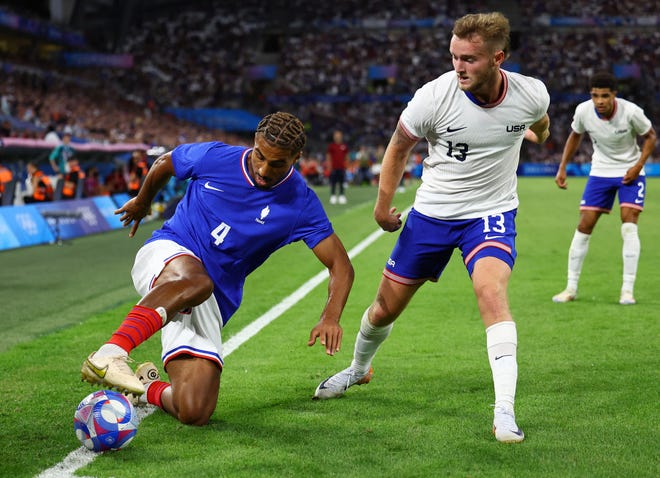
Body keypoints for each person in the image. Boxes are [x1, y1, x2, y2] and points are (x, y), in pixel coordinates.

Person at [312, 12, 550, 444]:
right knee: (384, 309)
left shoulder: (531, 94)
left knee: (491, 293)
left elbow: (540, 122)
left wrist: (534, 135)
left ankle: (504, 411)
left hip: (491, 213)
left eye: (470, 59)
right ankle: (358, 370)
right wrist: (383, 207)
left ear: (499, 58)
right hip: (432, 215)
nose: (459, 66)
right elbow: (399, 146)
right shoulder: (433, 97)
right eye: (454, 56)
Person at [81, 112, 354, 426]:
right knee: (197, 281)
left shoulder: (300, 204)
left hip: (211, 299)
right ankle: (111, 352)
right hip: (170, 252)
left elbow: (341, 266)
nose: (264, 169)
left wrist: (330, 316)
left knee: (195, 409)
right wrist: (143, 201)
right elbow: (165, 163)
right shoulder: (215, 157)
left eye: (277, 163)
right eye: (259, 156)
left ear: (297, 158)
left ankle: (144, 387)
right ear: (253, 143)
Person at [552, 72, 656, 306]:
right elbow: (575, 136)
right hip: (600, 171)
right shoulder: (583, 111)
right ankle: (570, 288)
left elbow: (650, 137)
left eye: (605, 96)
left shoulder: (631, 112)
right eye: (595, 95)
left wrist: (638, 165)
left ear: (614, 95)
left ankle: (627, 291)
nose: (599, 101)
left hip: (631, 171)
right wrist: (562, 167)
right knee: (584, 225)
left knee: (628, 225)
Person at [326, 129, 349, 204]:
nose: (337, 137)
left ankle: (341, 195)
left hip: (342, 167)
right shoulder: (331, 146)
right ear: (334, 137)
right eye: (336, 136)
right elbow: (328, 156)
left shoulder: (344, 146)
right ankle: (333, 196)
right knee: (333, 182)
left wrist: (347, 165)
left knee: (342, 182)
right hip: (334, 167)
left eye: (339, 136)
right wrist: (329, 166)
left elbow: (346, 156)